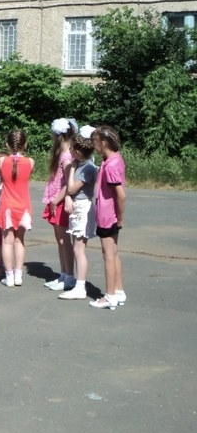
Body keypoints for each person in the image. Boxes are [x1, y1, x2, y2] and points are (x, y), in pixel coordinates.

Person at [89, 125, 127, 310]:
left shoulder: (111, 165)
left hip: (108, 216)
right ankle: (118, 291)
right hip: (109, 215)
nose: (94, 146)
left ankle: (110, 295)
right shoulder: (112, 159)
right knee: (114, 253)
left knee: (108, 255)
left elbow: (121, 195)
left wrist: (119, 217)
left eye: (95, 143)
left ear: (103, 143)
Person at [58, 128, 98, 300]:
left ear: (79, 151)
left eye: (72, 149)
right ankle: (78, 284)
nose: (70, 151)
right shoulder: (82, 164)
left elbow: (72, 187)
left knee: (79, 249)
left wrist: (72, 168)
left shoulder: (87, 167)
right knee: (77, 248)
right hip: (78, 205)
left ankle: (80, 287)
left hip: (83, 207)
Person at [0, 130, 35, 287]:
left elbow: (2, 176)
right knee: (19, 240)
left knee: (7, 241)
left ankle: (9, 276)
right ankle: (18, 276)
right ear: (26, 144)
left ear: (7, 145)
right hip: (23, 206)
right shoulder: (31, 162)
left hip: (7, 206)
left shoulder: (2, 161)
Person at [42, 118, 78, 291]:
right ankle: (63, 274)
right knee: (60, 240)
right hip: (56, 200)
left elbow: (68, 183)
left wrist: (56, 200)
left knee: (64, 240)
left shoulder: (66, 157)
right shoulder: (62, 155)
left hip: (61, 202)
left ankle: (69, 276)